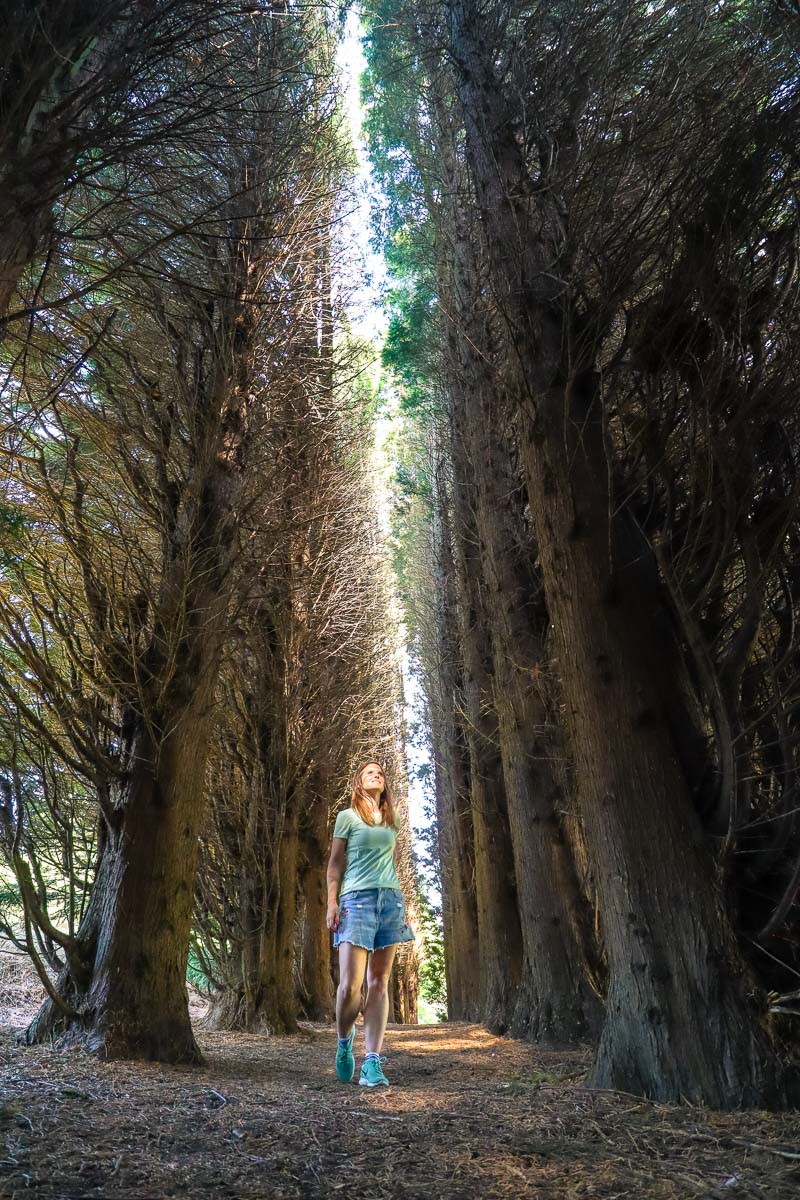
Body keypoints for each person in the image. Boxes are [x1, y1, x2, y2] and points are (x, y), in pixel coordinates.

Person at [326, 760, 414, 1087]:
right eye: (368, 773)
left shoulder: (393, 820)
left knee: (379, 981)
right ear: (359, 783)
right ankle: (344, 1039)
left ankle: (372, 1062)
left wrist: (401, 902)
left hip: (389, 902)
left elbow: (389, 864)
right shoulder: (346, 818)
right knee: (350, 987)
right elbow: (334, 866)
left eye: (380, 772)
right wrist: (332, 903)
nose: (376, 775)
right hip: (355, 901)